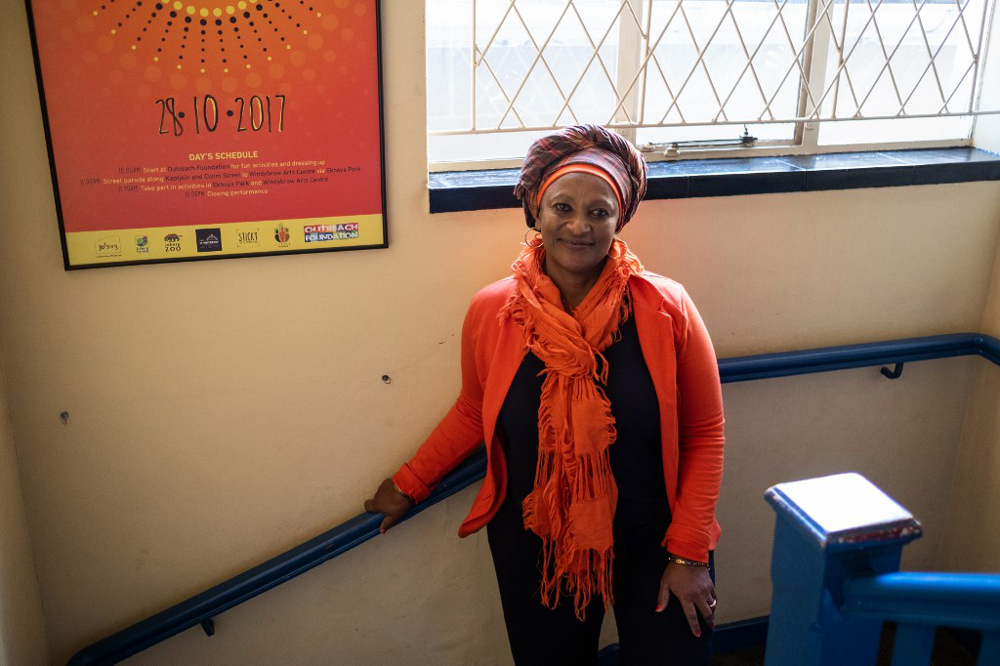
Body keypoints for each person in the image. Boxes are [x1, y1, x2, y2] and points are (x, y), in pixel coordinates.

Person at [365, 124, 724, 665]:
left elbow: (704, 433)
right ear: (536, 211)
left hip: (658, 538)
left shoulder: (665, 308)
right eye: (563, 206)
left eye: (599, 211)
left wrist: (691, 554)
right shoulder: (493, 310)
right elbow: (474, 409)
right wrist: (411, 482)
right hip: (538, 539)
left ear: (619, 219)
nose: (579, 226)